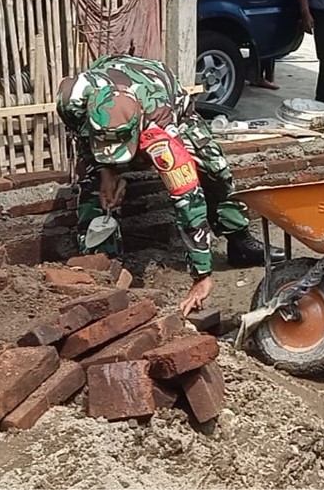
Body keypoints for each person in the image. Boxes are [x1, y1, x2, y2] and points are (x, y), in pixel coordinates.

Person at [56, 56, 283, 315]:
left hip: (169, 103)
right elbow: (83, 139)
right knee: (93, 185)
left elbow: (187, 196)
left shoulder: (160, 126)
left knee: (214, 169)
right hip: (114, 83)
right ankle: (102, 266)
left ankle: (239, 240)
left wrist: (201, 274)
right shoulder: (72, 100)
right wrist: (106, 171)